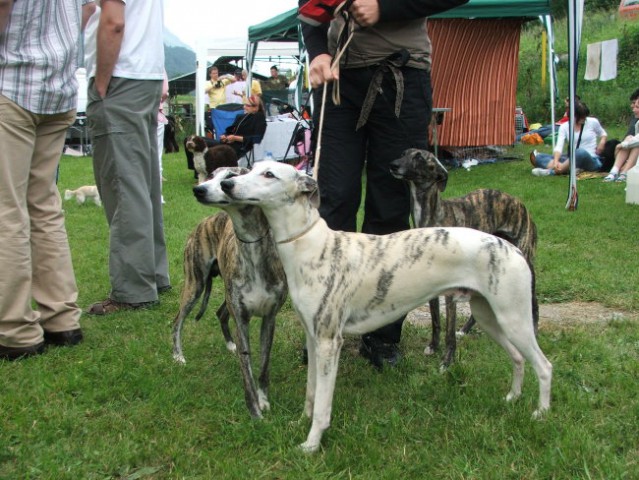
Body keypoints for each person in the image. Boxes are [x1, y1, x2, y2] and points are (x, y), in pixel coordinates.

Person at [299, 0, 468, 369]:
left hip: (402, 75)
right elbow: (310, 8)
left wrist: (385, 7)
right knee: (332, 201)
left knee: (389, 206)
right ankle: (325, 325)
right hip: (339, 81)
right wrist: (318, 53)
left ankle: (382, 335)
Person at [0, 0, 95, 360]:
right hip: (58, 86)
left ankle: (15, 329)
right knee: (43, 204)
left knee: (7, 207)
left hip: (13, 80)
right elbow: (87, 10)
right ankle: (61, 319)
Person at [84, 0, 171, 315]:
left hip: (121, 75)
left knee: (123, 184)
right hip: (143, 74)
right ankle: (154, 274)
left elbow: (113, 21)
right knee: (143, 183)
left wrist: (101, 81)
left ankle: (133, 289)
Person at [530, 101, 607, 176]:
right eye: (581, 117)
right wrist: (556, 161)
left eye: (585, 116)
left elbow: (603, 134)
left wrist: (602, 142)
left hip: (590, 159)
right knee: (539, 157)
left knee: (580, 152)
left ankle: (553, 172)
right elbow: (559, 146)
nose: (584, 119)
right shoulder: (564, 127)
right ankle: (568, 169)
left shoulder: (593, 122)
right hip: (570, 159)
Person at [209, 94, 267, 160]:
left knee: (203, 144)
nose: (244, 107)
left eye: (247, 105)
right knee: (200, 141)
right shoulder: (241, 117)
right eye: (244, 105)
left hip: (238, 148)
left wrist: (235, 138)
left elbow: (257, 139)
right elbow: (230, 130)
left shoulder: (259, 118)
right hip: (227, 144)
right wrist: (225, 136)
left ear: (256, 108)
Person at [603, 89, 639, 183]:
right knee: (629, 139)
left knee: (635, 146)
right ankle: (615, 171)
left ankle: (624, 172)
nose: (633, 109)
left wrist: (621, 145)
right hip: (631, 154)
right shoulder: (637, 122)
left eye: (637, 107)